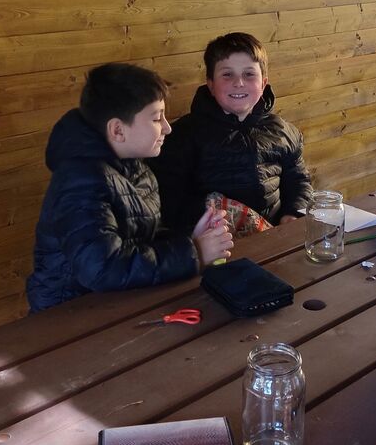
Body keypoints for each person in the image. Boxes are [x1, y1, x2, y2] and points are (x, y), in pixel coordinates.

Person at [26, 63, 233, 313]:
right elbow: (101, 268)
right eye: (156, 118)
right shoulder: (80, 182)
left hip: (118, 302)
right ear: (117, 130)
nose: (167, 127)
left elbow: (141, 238)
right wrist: (194, 253)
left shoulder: (136, 167)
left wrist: (191, 238)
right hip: (67, 316)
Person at [149, 32, 313, 234]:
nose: (239, 83)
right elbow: (168, 197)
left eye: (249, 74)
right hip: (215, 238)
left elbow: (298, 181)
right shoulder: (183, 136)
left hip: (274, 234)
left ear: (263, 83)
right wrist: (212, 220)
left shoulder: (283, 131)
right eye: (227, 74)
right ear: (211, 85)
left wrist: (292, 213)